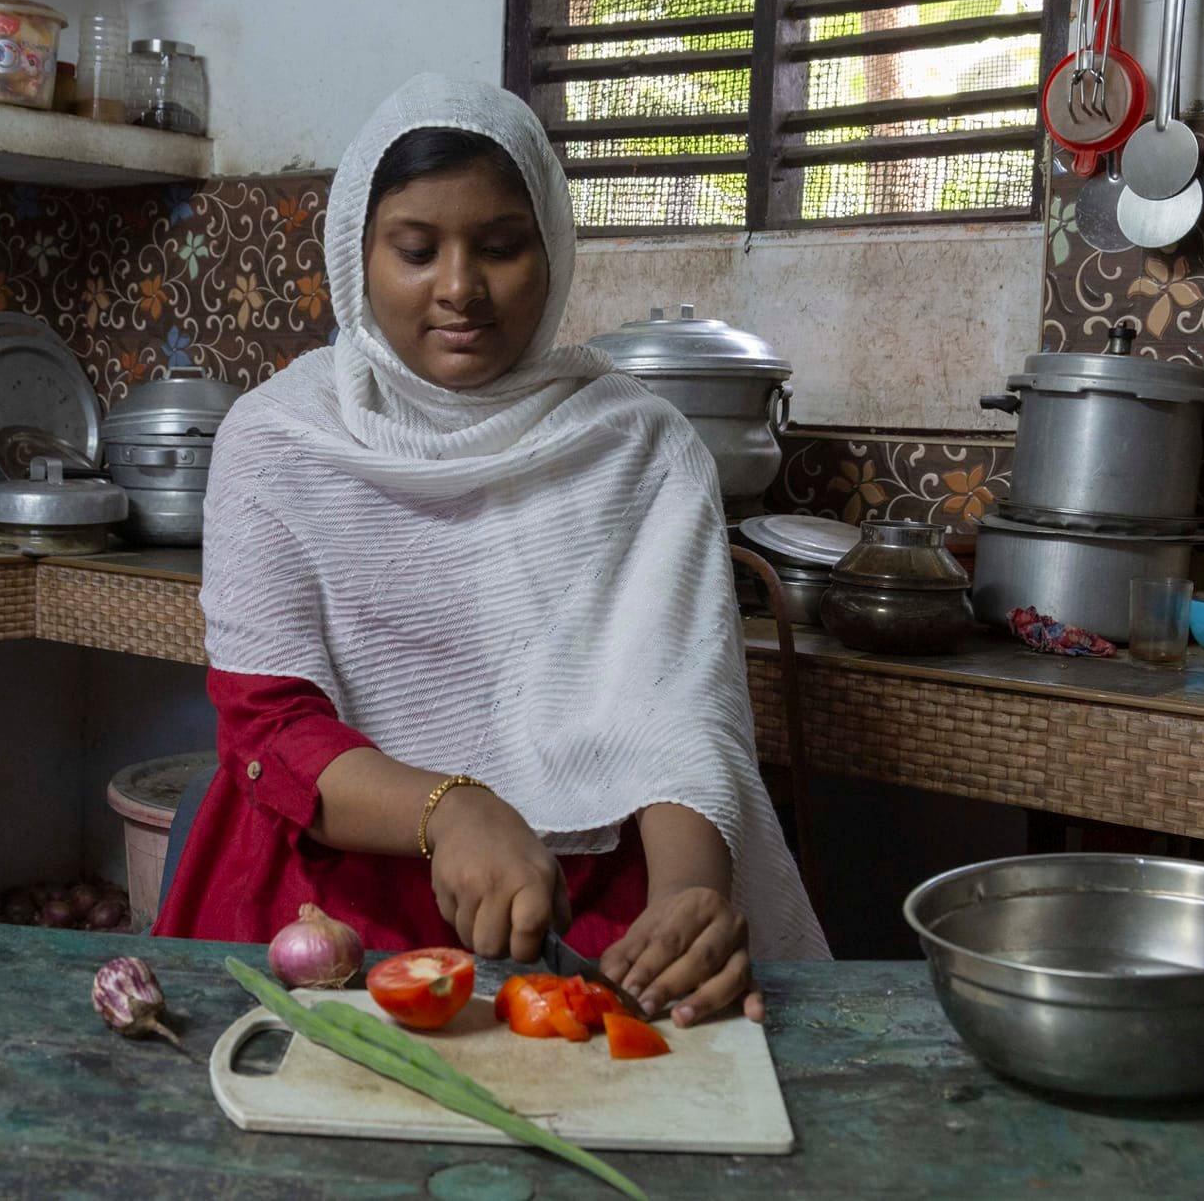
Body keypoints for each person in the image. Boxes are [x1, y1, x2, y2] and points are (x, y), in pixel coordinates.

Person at [153, 75, 827, 1026]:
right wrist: (452, 808)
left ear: (551, 250)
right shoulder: (276, 438)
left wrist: (684, 903)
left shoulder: (642, 447)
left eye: (502, 248)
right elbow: (270, 729)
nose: (460, 288)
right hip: (326, 895)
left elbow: (680, 726)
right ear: (359, 255)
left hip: (580, 903)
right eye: (417, 250)